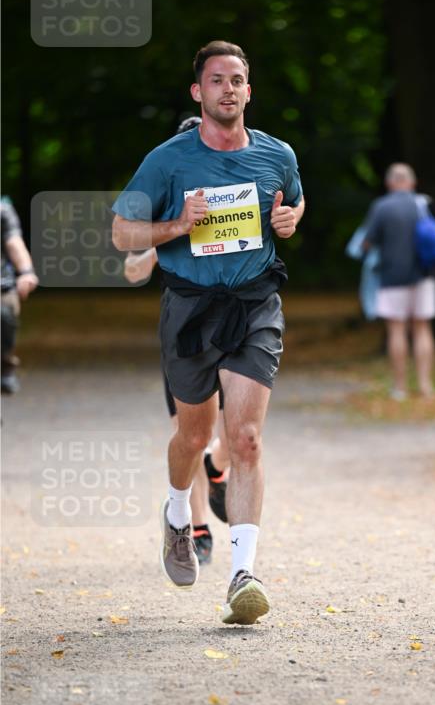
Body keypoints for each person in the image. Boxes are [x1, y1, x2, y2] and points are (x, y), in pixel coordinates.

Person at [112, 40, 304, 624]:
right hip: (191, 309)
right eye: (216, 80)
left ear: (249, 90)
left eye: (237, 80)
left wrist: (289, 221)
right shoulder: (168, 160)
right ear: (198, 92)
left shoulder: (277, 154)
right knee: (192, 438)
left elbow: (293, 208)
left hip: (254, 304)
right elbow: (123, 234)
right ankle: (177, 515)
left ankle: (243, 575)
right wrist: (178, 224)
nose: (228, 89)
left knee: (244, 438)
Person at [122, 115, 230, 566]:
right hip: (184, 329)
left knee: (228, 435)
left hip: (234, 320)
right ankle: (199, 523)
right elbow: (132, 270)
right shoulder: (170, 208)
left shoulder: (235, 194)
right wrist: (164, 241)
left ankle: (217, 469)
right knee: (187, 432)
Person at [363, 164, 435, 400]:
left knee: (397, 330)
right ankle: (426, 386)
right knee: (422, 328)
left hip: (392, 276)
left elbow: (367, 242)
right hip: (424, 274)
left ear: (389, 183)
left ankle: (400, 387)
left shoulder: (381, 207)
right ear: (412, 183)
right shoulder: (423, 204)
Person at [1, 198, 39, 393]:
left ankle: (5, 365)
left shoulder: (3, 209)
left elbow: (14, 242)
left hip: (2, 284)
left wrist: (25, 271)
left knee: (4, 312)